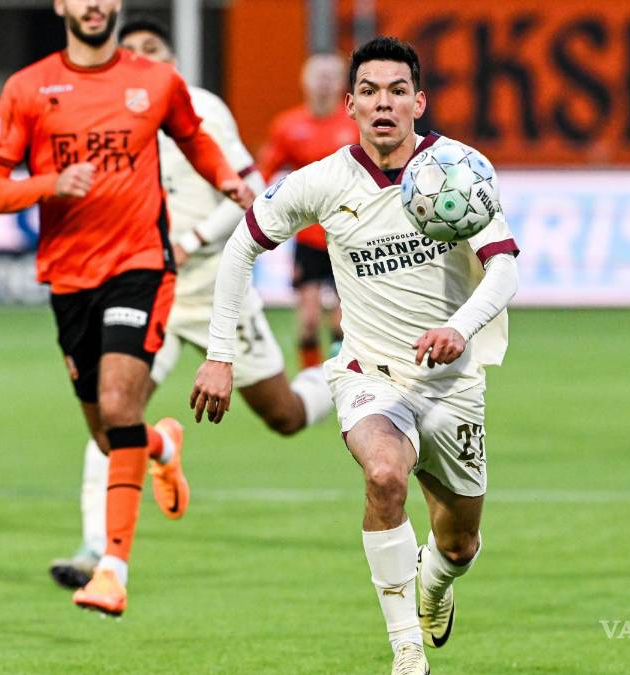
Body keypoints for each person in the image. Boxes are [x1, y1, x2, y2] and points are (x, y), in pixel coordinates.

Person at [191, 36, 520, 675]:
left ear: (419, 101)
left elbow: (504, 268)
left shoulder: (459, 171)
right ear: (351, 105)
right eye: (369, 91)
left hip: (452, 384)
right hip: (370, 374)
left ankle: (434, 585)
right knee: (384, 475)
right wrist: (220, 354)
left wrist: (460, 327)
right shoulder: (322, 181)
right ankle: (406, 651)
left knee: (459, 543)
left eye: (397, 90)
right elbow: (241, 247)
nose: (383, 103)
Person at [0, 0, 253, 616]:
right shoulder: (27, 88)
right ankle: (162, 447)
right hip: (69, 276)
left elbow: (193, 137)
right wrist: (50, 184)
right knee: (107, 435)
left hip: (140, 265)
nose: (95, 5)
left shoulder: (154, 81)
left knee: (121, 405)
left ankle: (111, 569)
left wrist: (226, 179)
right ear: (62, 5)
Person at [48, 17, 335, 590]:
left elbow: (247, 190)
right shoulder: (106, 117)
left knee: (284, 415)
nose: (140, 58)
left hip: (211, 288)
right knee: (113, 414)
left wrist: (192, 240)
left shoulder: (201, 109)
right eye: (130, 51)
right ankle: (95, 549)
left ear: (173, 61)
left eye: (152, 48)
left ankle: (344, 368)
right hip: (143, 289)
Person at [257, 53, 359, 369]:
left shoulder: (355, 125)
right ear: (305, 81)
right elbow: (264, 172)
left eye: (331, 76)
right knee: (309, 321)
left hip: (348, 233)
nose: (324, 83)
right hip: (309, 236)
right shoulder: (288, 126)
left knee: (343, 322)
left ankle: (346, 379)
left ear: (342, 83)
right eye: (318, 76)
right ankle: (312, 381)